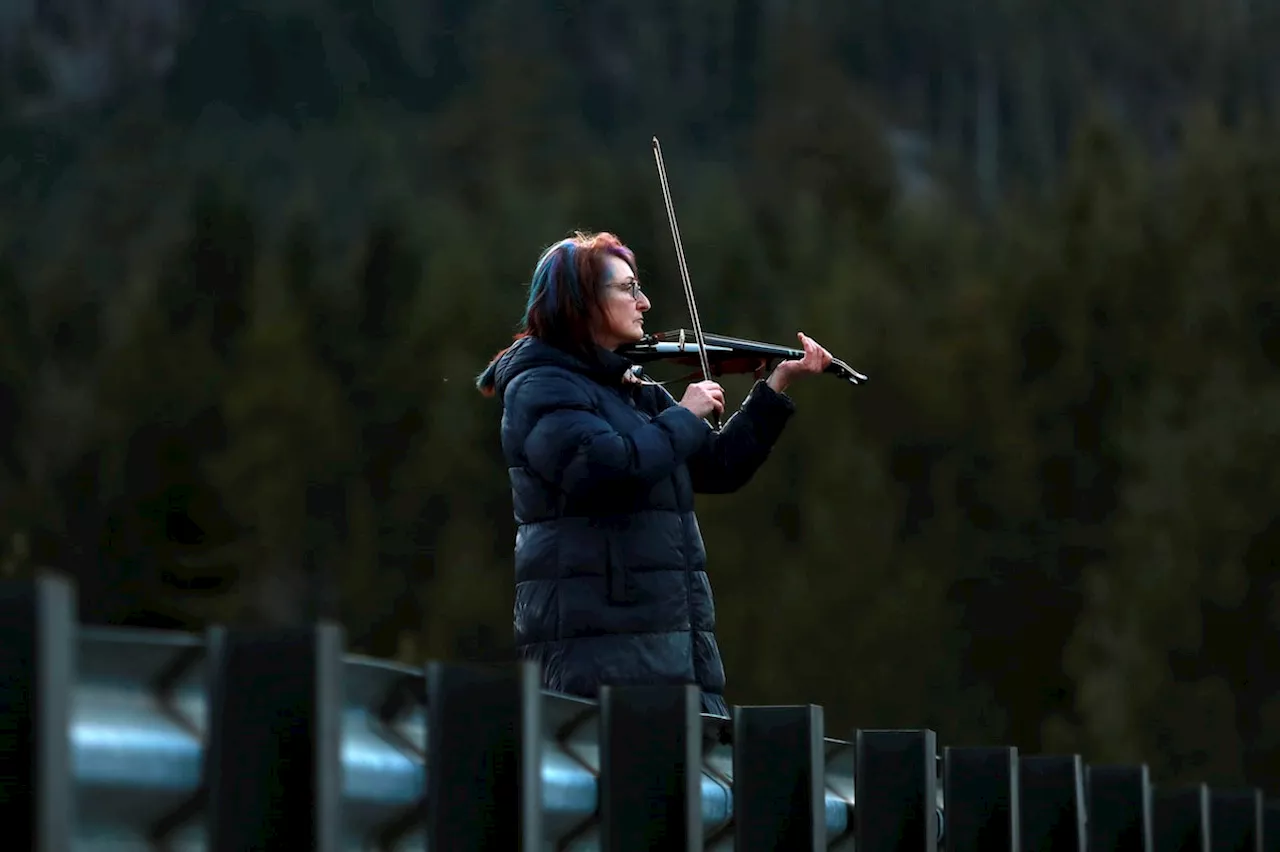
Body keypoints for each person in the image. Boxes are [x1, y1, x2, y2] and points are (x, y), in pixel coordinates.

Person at [476, 230, 833, 716]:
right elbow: (605, 469)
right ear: (580, 303)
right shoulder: (541, 387)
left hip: (670, 650)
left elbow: (719, 467)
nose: (643, 302)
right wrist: (684, 414)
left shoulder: (630, 385)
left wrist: (773, 389)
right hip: (603, 657)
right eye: (627, 288)